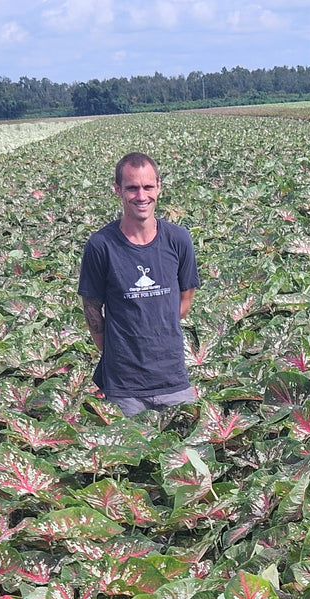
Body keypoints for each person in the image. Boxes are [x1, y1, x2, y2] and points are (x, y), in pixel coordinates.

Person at [78, 151, 200, 418]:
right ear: (118, 190)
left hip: (173, 379)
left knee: (185, 454)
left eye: (147, 187)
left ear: (159, 187)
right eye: (132, 188)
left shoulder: (179, 240)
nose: (141, 196)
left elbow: (185, 299)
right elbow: (91, 310)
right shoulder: (101, 246)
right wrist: (118, 352)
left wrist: (156, 330)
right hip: (124, 387)